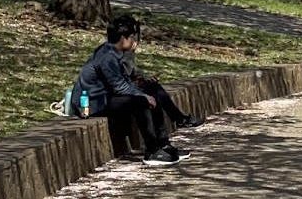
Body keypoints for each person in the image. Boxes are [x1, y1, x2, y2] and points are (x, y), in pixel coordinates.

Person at [69, 15, 187, 166]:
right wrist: (143, 96)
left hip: (105, 97)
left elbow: (125, 79)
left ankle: (163, 144)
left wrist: (144, 87)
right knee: (141, 101)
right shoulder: (107, 57)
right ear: (123, 38)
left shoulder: (112, 52)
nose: (134, 41)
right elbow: (120, 87)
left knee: (152, 91)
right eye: (132, 37)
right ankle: (151, 151)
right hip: (93, 103)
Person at [119, 20, 205, 135]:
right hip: (114, 96)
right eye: (133, 37)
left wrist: (144, 77)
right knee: (152, 92)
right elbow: (122, 79)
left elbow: (132, 72)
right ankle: (162, 138)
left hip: (124, 88)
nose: (135, 41)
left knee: (153, 87)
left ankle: (175, 124)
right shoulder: (116, 54)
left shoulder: (124, 52)